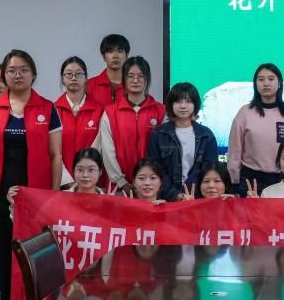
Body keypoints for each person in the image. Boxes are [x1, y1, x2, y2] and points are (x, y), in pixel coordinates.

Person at [0, 49, 63, 300]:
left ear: (33, 74)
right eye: (11, 70)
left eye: (24, 69)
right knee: (2, 251)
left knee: (31, 252)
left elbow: (55, 155)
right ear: (4, 75)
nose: (18, 75)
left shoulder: (47, 108)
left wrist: (54, 195)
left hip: (36, 195)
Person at [227, 63, 284, 195]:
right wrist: (234, 181)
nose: (266, 83)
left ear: (279, 83)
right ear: (255, 84)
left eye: (271, 79)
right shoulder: (245, 112)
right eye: (261, 79)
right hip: (250, 180)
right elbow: (235, 150)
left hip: (283, 179)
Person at [98, 56, 166, 195]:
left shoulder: (161, 111)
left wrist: (153, 181)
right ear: (124, 79)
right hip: (119, 188)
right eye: (130, 76)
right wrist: (121, 182)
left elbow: (164, 152)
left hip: (152, 187)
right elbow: (107, 151)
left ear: (147, 79)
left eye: (140, 76)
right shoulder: (110, 112)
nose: (135, 80)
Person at [148, 82, 219, 200]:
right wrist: (175, 195)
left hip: (197, 197)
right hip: (166, 198)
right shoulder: (158, 134)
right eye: (178, 101)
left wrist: (189, 192)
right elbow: (155, 170)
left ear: (195, 104)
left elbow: (209, 170)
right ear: (171, 104)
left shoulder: (206, 135)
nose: (183, 106)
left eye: (188, 101)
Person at [55, 56, 104, 182]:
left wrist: (87, 175)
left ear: (86, 77)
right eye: (68, 74)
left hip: (92, 181)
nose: (73, 78)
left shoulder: (99, 111)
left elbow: (99, 147)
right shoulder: (53, 110)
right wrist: (67, 181)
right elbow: (53, 151)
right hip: (62, 182)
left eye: (78, 74)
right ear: (62, 79)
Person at [87, 33, 130, 110]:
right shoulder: (89, 86)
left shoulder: (133, 85)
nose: (115, 56)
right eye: (110, 51)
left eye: (120, 51)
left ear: (127, 55)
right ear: (104, 56)